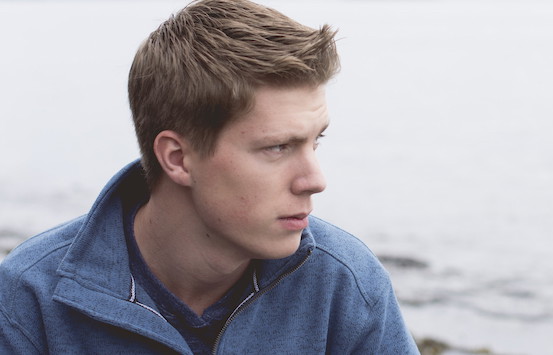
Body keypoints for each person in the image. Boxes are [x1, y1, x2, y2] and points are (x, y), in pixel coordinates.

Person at [0, 0, 419, 353]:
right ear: (178, 158)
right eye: (277, 147)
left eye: (315, 142)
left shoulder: (345, 283)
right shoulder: (27, 299)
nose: (314, 179)